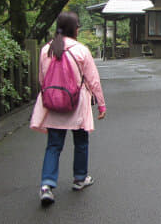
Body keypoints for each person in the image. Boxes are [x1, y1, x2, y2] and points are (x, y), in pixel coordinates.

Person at [30, 11, 106, 206]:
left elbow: (42, 78)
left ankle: (47, 185)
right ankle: (80, 178)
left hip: (54, 102)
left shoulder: (47, 48)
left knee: (54, 145)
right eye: (78, 26)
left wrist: (49, 95)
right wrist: (101, 103)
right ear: (74, 28)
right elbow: (93, 80)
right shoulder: (81, 50)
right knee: (81, 141)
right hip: (77, 103)